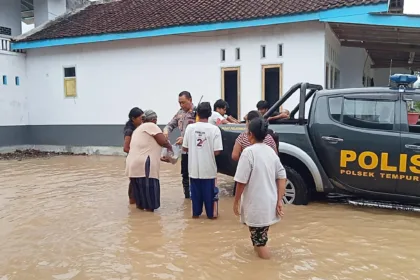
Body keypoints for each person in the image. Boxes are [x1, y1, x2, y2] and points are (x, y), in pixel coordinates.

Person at [233, 117, 287, 259]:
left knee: (260, 242)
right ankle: (259, 267)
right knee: (258, 238)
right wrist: (279, 200)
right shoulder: (270, 151)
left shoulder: (248, 152)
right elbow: (282, 177)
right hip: (269, 203)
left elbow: (241, 181)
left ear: (250, 134)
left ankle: (267, 268)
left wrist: (236, 201)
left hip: (257, 206)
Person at [126, 110, 173, 212]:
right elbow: (163, 141)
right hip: (145, 167)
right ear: (154, 119)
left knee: (140, 204)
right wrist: (172, 149)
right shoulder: (151, 126)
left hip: (133, 167)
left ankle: (139, 224)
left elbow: (145, 148)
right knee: (150, 204)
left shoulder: (138, 129)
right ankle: (150, 225)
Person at [182, 102, 223, 219]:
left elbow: (185, 148)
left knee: (195, 212)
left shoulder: (190, 128)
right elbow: (217, 151)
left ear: (197, 113)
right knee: (212, 213)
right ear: (210, 114)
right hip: (209, 172)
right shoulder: (215, 129)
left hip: (194, 171)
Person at [231, 110, 278, 195]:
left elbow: (234, 156)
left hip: (247, 174)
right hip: (265, 174)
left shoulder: (242, 137)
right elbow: (275, 155)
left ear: (249, 122)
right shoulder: (269, 137)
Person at [163, 91, 196, 199]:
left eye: (183, 102)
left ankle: (196, 196)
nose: (181, 105)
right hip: (185, 151)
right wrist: (166, 131)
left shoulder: (197, 113)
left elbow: (200, 131)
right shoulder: (180, 113)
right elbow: (170, 124)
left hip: (196, 150)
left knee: (196, 174)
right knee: (185, 174)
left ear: (190, 100)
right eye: (179, 103)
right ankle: (187, 198)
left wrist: (186, 138)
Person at [123, 107, 144, 204]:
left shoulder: (138, 128)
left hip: (137, 159)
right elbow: (125, 148)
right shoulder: (129, 131)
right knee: (134, 183)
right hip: (133, 159)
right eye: (140, 118)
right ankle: (132, 202)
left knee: (137, 183)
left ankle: (135, 203)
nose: (142, 120)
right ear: (133, 119)